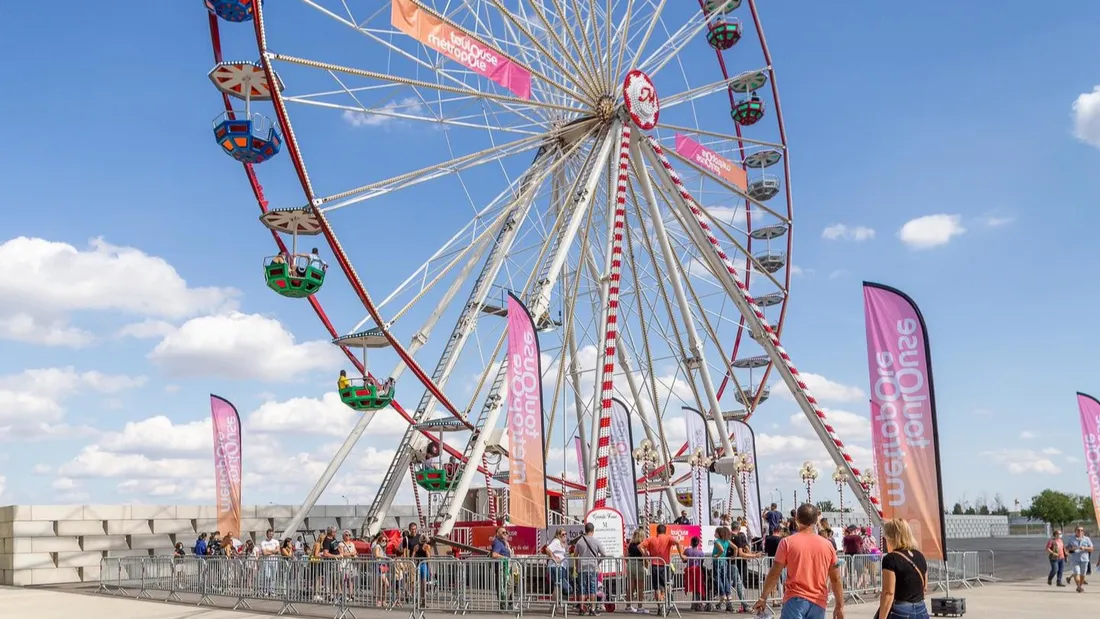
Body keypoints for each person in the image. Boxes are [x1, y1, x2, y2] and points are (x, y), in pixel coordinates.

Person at [754, 504, 844, 619]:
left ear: (796, 519)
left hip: (795, 599)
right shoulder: (828, 545)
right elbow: (836, 579)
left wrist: (763, 598)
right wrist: (839, 606)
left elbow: (774, 573)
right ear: (816, 520)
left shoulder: (787, 543)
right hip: (818, 601)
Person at [876, 518, 929, 619]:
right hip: (921, 608)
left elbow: (888, 592)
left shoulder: (891, 558)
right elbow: (924, 587)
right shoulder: (920, 556)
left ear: (892, 536)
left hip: (901, 610)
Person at [641, 524, 684, 616]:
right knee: (667, 584)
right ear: (665, 531)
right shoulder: (668, 538)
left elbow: (640, 546)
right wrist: (681, 555)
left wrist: (646, 556)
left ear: (657, 531)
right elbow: (677, 542)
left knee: (657, 587)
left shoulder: (651, 539)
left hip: (654, 565)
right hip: (665, 564)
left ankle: (660, 607)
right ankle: (670, 600)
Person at [573, 522, 608, 616]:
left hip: (582, 567)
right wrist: (598, 562)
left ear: (585, 530)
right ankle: (592, 609)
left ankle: (581, 608)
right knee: (593, 589)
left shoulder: (579, 541)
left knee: (582, 588)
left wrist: (576, 566)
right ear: (593, 530)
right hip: (593, 567)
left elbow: (575, 555)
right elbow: (604, 554)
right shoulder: (596, 541)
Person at [544, 529, 573, 604]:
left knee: (558, 586)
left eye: (565, 534)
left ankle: (555, 605)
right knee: (559, 585)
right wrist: (554, 557)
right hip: (555, 566)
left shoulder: (562, 543)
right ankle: (554, 604)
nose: (564, 536)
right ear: (558, 535)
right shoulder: (556, 541)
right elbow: (548, 549)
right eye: (562, 534)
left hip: (561, 566)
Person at [625, 529, 649, 613]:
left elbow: (625, 555)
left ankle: (628, 606)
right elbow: (644, 556)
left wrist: (629, 563)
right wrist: (646, 564)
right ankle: (640, 607)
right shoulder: (642, 545)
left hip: (630, 564)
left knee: (630, 587)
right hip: (639, 564)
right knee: (640, 587)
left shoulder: (630, 545)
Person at [1066, 526, 1093, 593]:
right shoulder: (1071, 539)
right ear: (1075, 531)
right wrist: (1071, 549)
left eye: (1081, 530)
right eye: (1078, 530)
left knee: (1083, 574)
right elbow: (1067, 548)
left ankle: (1080, 586)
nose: (1080, 532)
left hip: (1084, 559)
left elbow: (1092, 549)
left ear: (1083, 532)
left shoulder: (1087, 539)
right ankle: (1078, 586)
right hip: (1075, 559)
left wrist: (1085, 548)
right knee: (1076, 572)